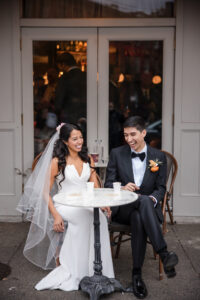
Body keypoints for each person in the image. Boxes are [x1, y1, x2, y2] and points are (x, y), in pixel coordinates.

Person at [17, 123, 114, 291]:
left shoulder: (87, 159)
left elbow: (95, 186)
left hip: (85, 203)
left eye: (81, 137)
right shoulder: (57, 161)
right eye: (75, 138)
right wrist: (56, 215)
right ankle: (77, 270)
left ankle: (97, 271)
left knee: (101, 221)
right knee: (86, 220)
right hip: (65, 204)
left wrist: (102, 203)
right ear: (65, 141)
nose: (79, 141)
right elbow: (45, 192)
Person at [104, 116, 178, 299]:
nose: (129, 139)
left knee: (141, 210)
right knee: (139, 205)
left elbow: (161, 189)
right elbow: (107, 184)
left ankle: (136, 275)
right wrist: (121, 188)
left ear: (143, 133)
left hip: (147, 210)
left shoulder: (158, 156)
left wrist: (151, 199)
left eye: (133, 134)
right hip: (123, 209)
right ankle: (163, 253)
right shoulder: (116, 153)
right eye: (125, 135)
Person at [55, 52, 86, 123]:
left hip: (69, 116)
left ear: (63, 64)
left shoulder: (64, 78)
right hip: (86, 114)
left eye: (59, 66)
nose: (59, 69)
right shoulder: (86, 76)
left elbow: (59, 101)